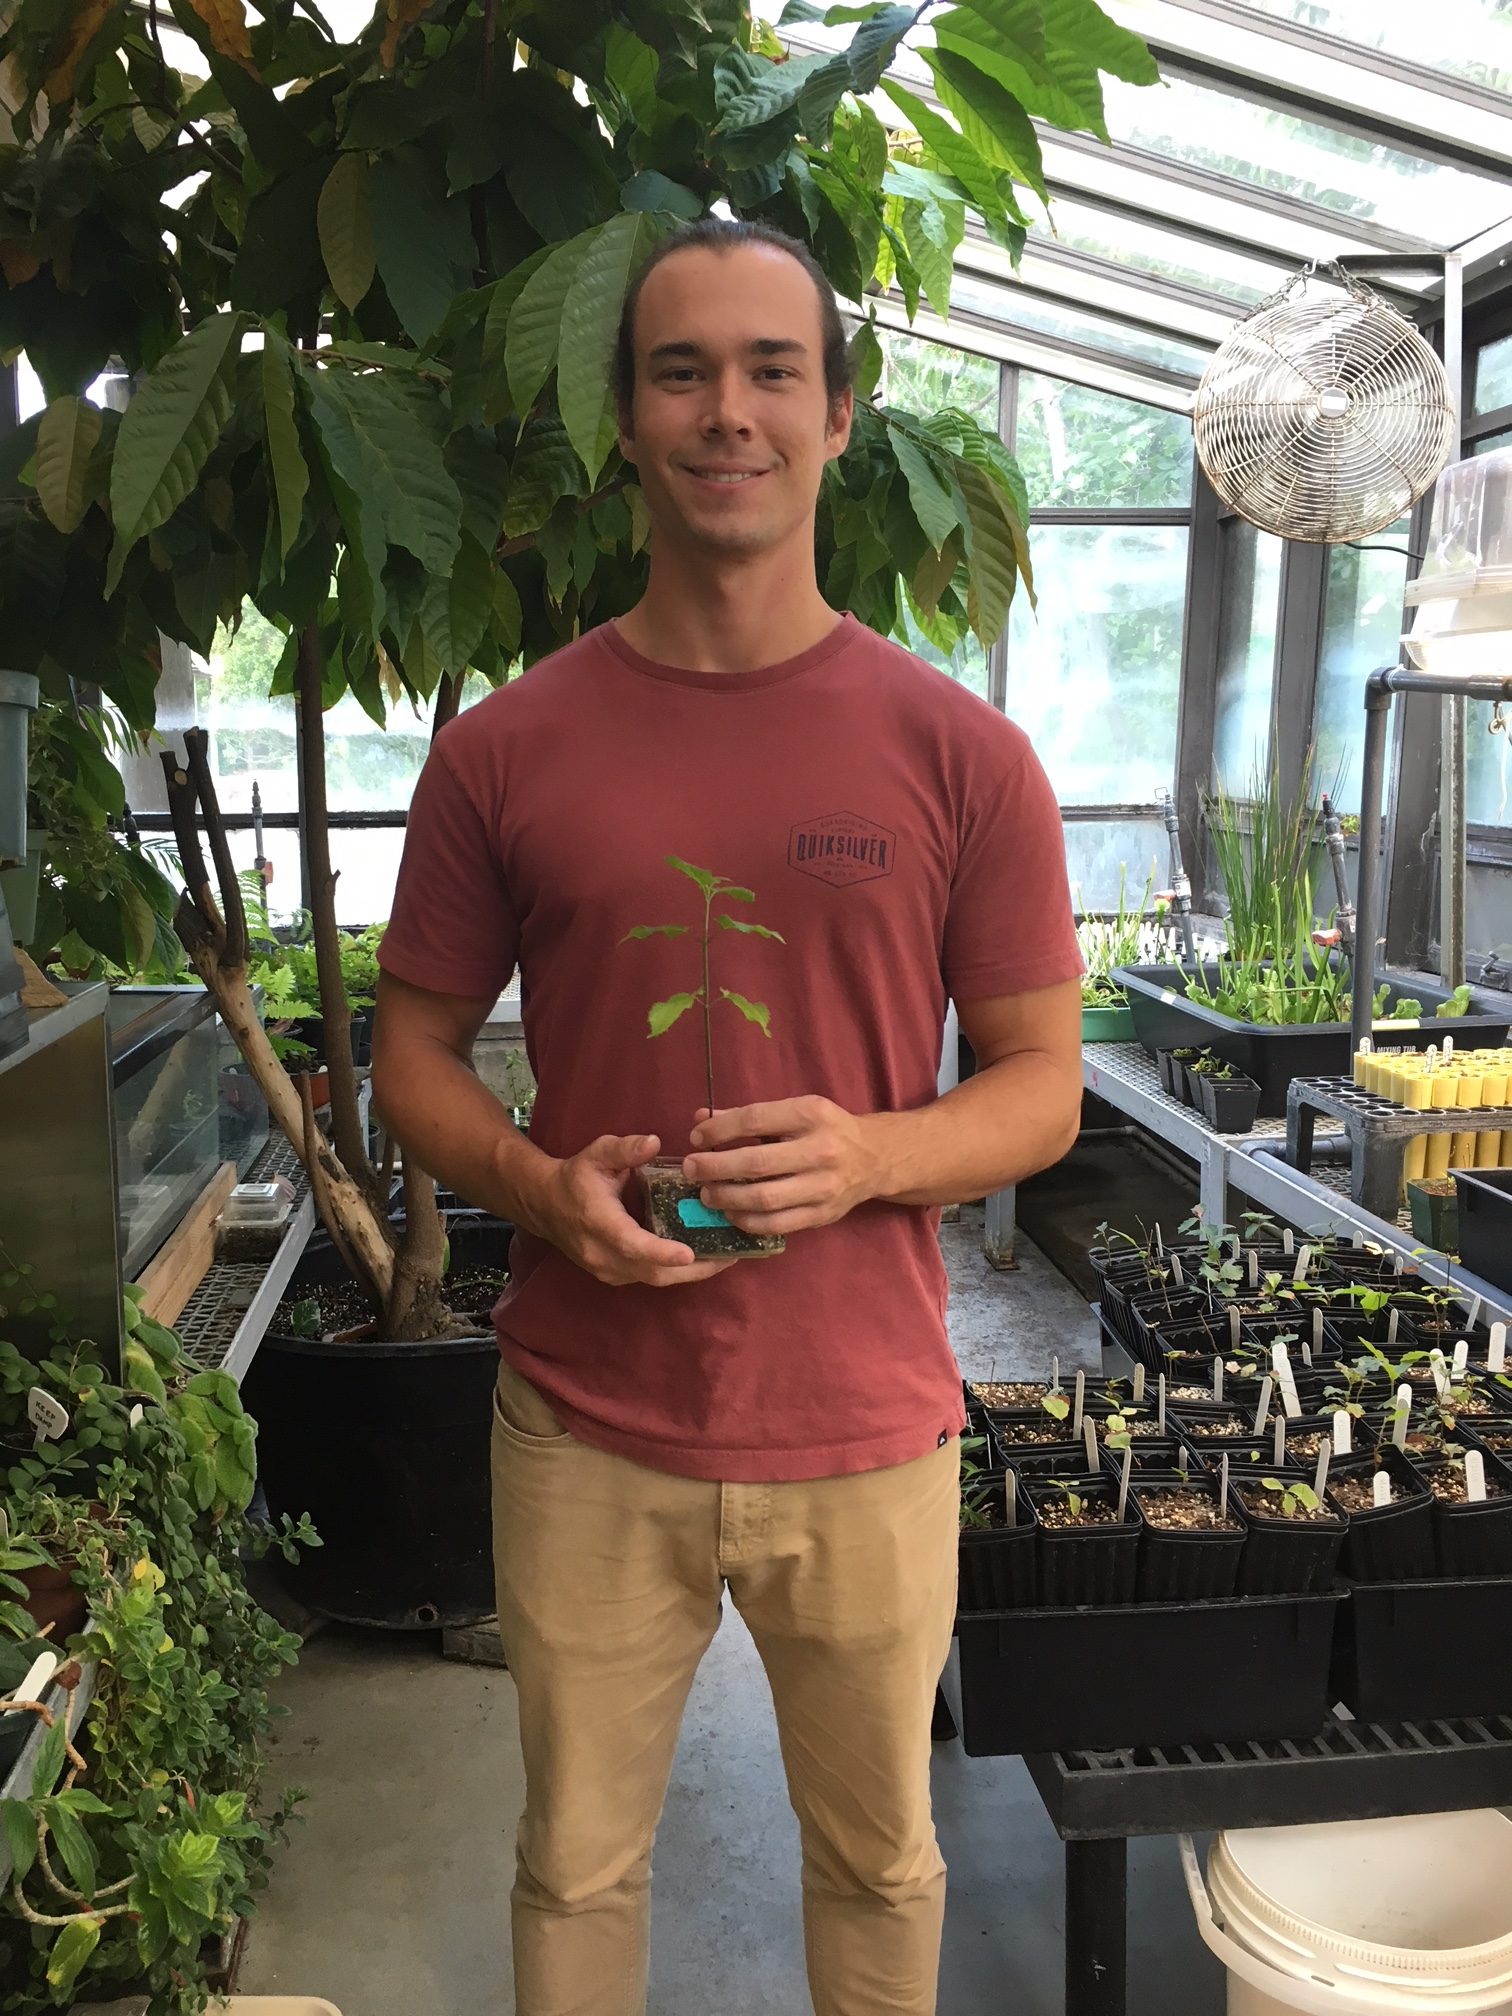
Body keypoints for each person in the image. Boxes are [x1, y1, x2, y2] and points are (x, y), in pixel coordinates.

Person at [371, 216, 1083, 2016]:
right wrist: (539, 1185)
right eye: (681, 370)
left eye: (774, 369)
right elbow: (413, 1055)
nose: (728, 411)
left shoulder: (961, 754)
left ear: (841, 416)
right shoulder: (508, 748)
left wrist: (868, 1155)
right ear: (626, 420)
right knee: (576, 1872)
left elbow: (1040, 1089)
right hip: (590, 1429)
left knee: (879, 1866)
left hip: (864, 1432)